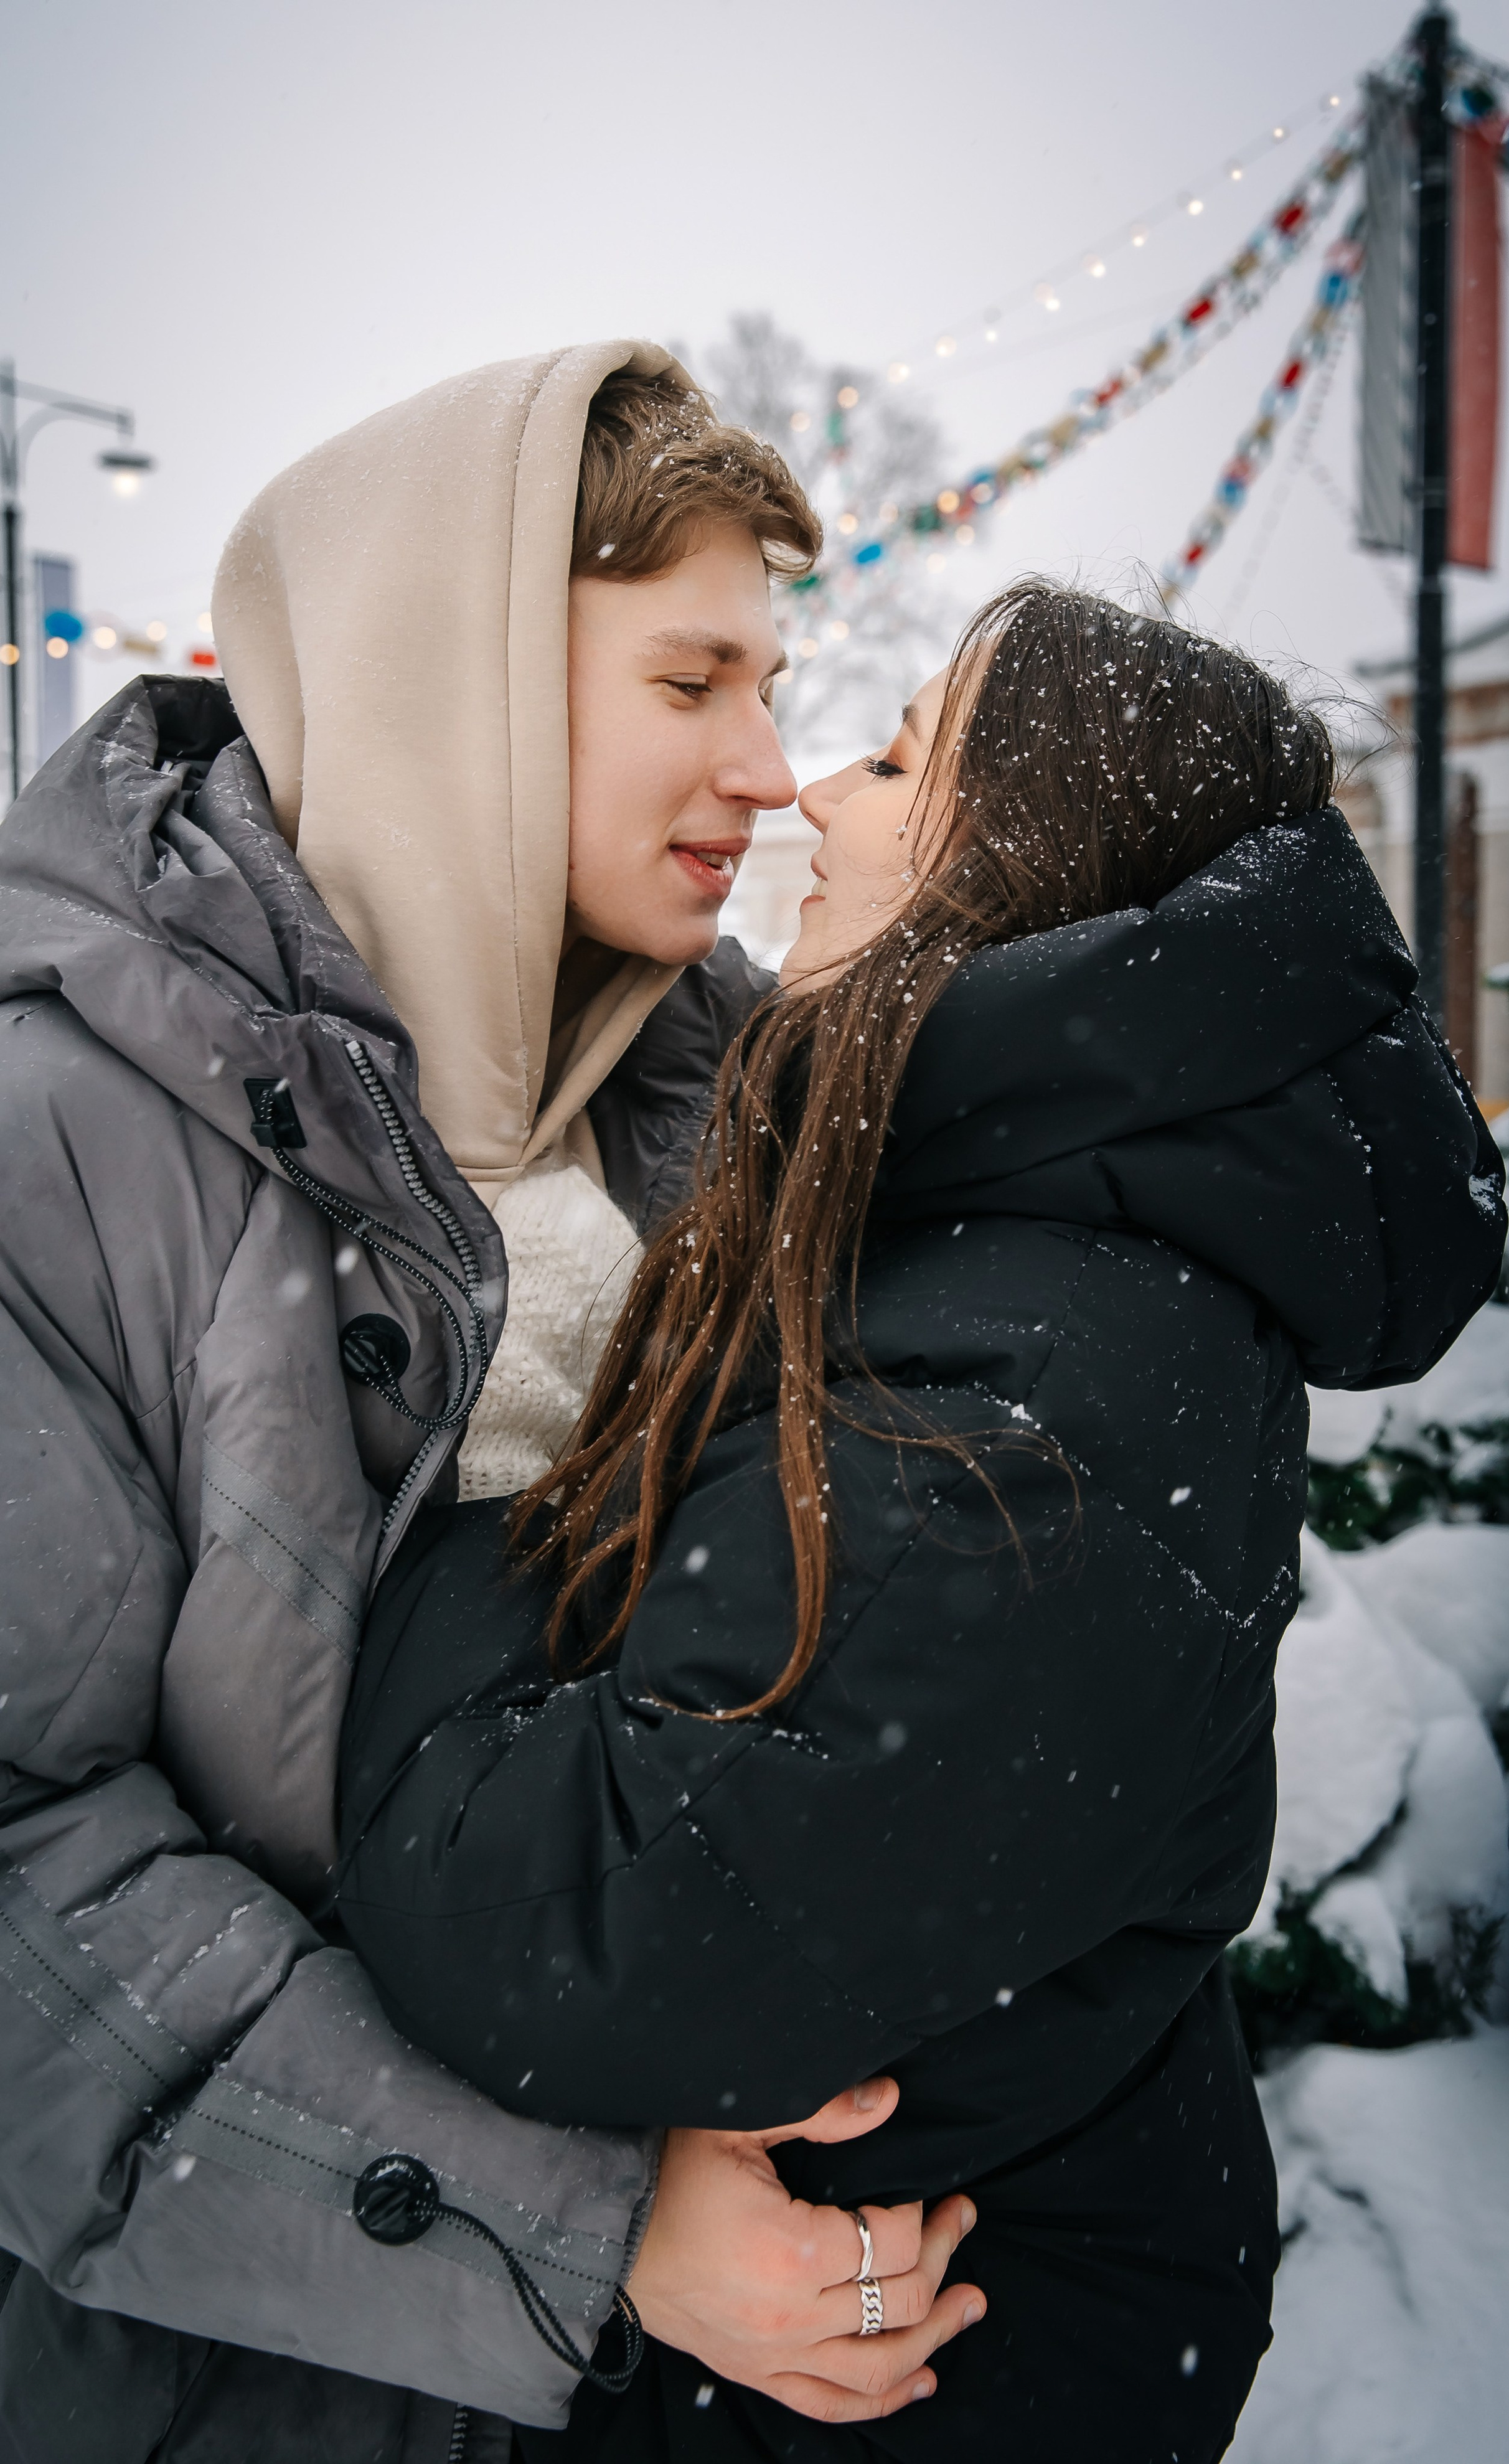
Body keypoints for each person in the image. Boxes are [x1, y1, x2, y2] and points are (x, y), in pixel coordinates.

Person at [337, 580, 1508, 2462]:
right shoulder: (1022, 1244)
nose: (812, 792)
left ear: (1025, 859)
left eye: (897, 756)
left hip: (920, 2372)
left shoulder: (1021, 1420)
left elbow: (575, 1942)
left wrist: (492, 1488)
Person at [0, 344, 980, 2464]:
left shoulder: (721, 1104)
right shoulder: (61, 1140)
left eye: (777, 686)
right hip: (229, 2393)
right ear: (462, 684)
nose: (773, 764)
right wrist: (582, 2224)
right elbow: (23, 1877)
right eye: (690, 682)